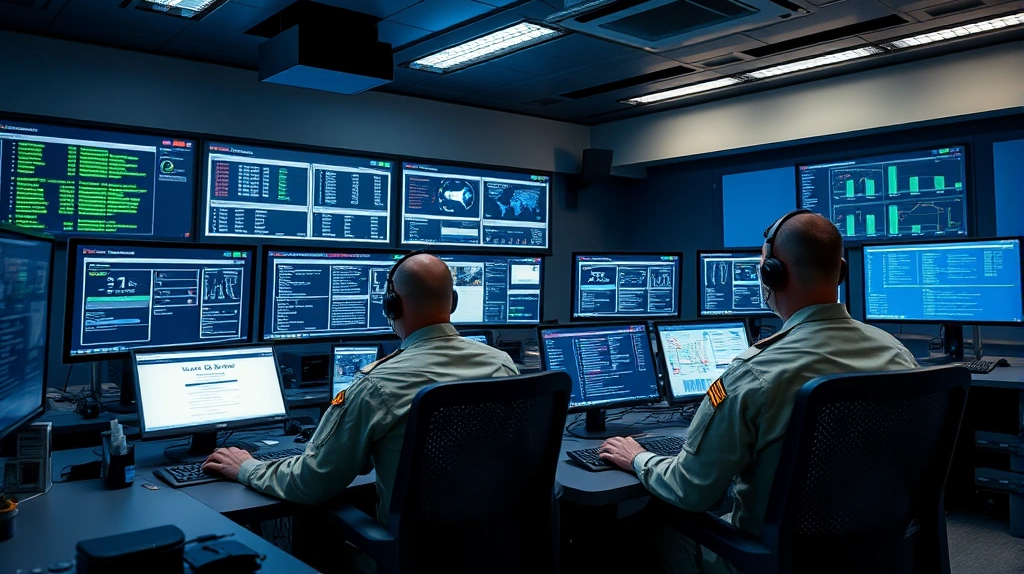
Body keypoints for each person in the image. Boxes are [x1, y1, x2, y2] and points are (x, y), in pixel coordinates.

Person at [598, 210, 919, 574]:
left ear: (773, 275)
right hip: (877, 554)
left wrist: (638, 456)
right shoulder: (897, 354)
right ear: (841, 271)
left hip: (772, 560)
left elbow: (690, 490)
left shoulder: (754, 373)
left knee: (656, 521)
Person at [202, 252, 519, 525]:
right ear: (453, 302)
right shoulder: (501, 364)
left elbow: (311, 482)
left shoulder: (375, 385)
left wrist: (246, 468)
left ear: (392, 305)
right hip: (500, 548)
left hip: (414, 555)